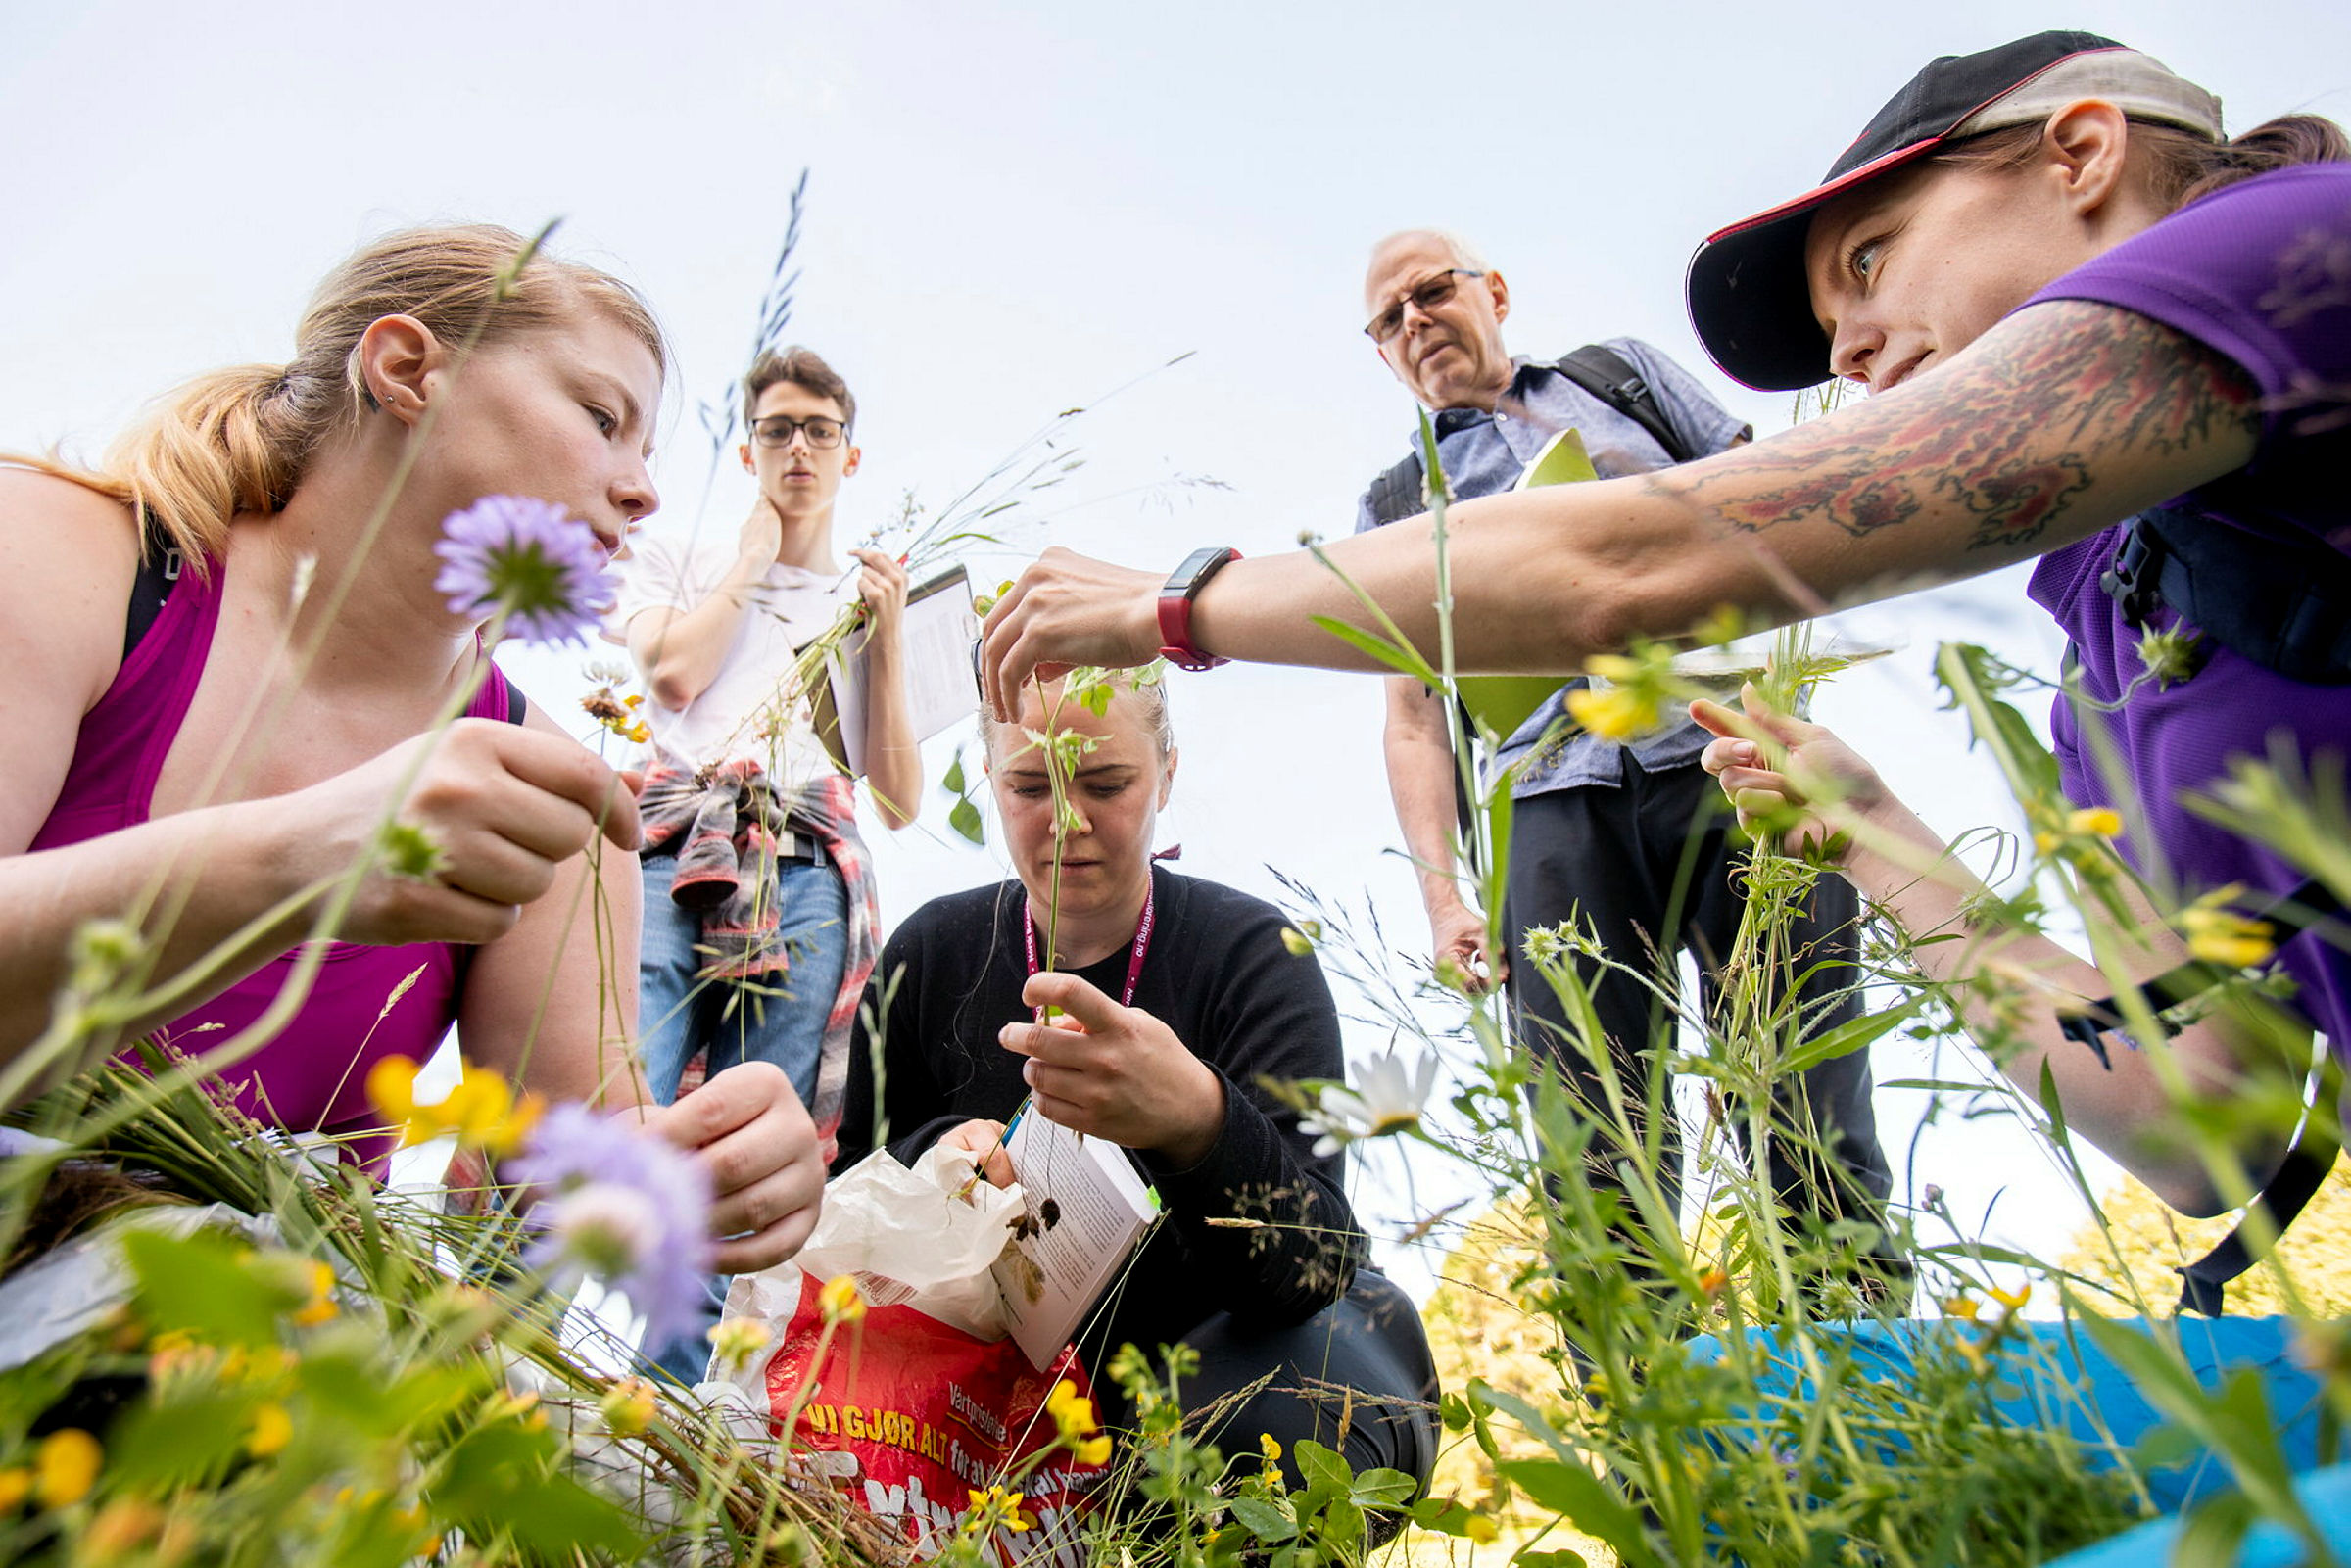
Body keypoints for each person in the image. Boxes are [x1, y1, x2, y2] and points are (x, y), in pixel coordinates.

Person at [976, 27, 2350, 1091]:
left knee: (1801, 1100)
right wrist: (1875, 827)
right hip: (1558, 806)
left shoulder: (2283, 250)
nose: (1854, 355)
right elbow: (2193, 1115)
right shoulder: (2109, 657)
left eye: (1870, 263)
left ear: (2082, 151)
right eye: (1834, 327)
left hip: (1683, 762)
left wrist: (1180, 603)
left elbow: (1661, 554)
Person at [2, 224, 826, 1279]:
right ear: (406, 369)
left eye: (647, 452)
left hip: (240, 1367)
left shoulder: (552, 796)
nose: (642, 492)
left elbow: (558, 1179)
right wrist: (301, 857)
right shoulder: (60, 556)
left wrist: (709, 1168)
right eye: (600, 417)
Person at [1352, 228, 1893, 1293]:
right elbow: (1414, 718)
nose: (1415, 322)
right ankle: (1661, 1447)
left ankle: (1873, 1390)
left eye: (1430, 292)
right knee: (1595, 1149)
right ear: (1380, 353)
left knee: (1804, 1084)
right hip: (1550, 808)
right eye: (1388, 319)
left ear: (1493, 289)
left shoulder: (1625, 381)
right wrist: (1441, 898)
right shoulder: (1393, 507)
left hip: (1724, 756)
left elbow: (1767, 499)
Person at [834, 672, 1438, 1493]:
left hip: (1196, 1373)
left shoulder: (1251, 956)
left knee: (1317, 1408)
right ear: (987, 772)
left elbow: (1317, 1269)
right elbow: (842, 1195)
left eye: (1108, 783)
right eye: (1026, 785)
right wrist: (938, 1154)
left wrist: (1200, 1124)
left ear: (1168, 770)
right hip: (969, 1390)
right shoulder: (932, 954)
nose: (1067, 820)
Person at [611, 345, 920, 1383]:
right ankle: (497, 1349)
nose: (798, 448)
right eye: (778, 430)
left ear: (851, 452)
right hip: (672, 845)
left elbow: (897, 794)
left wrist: (888, 639)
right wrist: (751, 552)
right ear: (750, 449)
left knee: (739, 1136)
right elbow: (674, 670)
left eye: (818, 431)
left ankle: (662, 1407)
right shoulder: (681, 558)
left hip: (802, 858)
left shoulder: (867, 593)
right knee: (613, 1092)